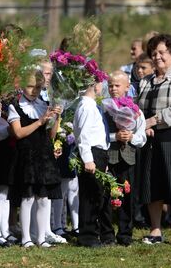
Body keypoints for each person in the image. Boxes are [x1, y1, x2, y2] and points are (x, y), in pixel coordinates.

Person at [136, 34, 171, 248]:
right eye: (154, 53)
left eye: (162, 52)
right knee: (152, 183)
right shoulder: (145, 81)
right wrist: (141, 125)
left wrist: (153, 121)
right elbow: (135, 108)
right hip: (149, 138)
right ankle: (155, 229)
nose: (157, 57)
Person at [8, 69, 64, 249]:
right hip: (27, 156)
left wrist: (56, 118)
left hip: (44, 155)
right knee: (28, 198)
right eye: (30, 86)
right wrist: (40, 121)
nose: (34, 91)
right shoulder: (15, 106)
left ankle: (41, 237)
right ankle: (26, 237)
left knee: (43, 198)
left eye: (38, 87)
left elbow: (51, 135)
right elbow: (18, 133)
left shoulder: (44, 103)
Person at [105, 71, 146, 246]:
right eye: (110, 86)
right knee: (106, 195)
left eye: (117, 85)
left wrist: (131, 137)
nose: (113, 89)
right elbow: (100, 134)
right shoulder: (104, 108)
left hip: (128, 158)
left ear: (127, 87)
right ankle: (106, 233)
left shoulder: (136, 111)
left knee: (128, 195)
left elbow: (142, 137)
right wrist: (116, 137)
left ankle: (125, 233)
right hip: (109, 156)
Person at [73, 81, 112, 248]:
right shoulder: (87, 107)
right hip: (91, 153)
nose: (102, 86)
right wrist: (88, 159)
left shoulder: (91, 105)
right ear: (95, 85)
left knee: (97, 195)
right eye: (100, 83)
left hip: (99, 154)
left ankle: (94, 234)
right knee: (90, 196)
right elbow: (84, 135)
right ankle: (87, 236)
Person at [0, 108, 17, 248]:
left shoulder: (11, 106)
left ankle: (4, 230)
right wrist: (8, 131)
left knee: (6, 196)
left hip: (9, 152)